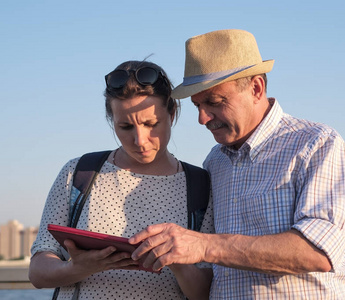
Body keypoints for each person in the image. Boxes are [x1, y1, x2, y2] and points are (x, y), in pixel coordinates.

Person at [129, 29, 345, 299]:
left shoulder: (316, 144)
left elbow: (318, 251)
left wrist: (204, 246)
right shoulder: (214, 162)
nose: (202, 118)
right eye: (197, 106)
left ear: (256, 88)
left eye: (214, 102)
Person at [29, 60, 214, 300]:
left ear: (172, 113)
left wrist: (176, 260)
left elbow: (204, 293)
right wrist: (75, 269)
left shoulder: (201, 185)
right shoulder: (79, 172)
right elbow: (37, 271)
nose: (140, 139)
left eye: (151, 124)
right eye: (125, 126)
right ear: (111, 120)